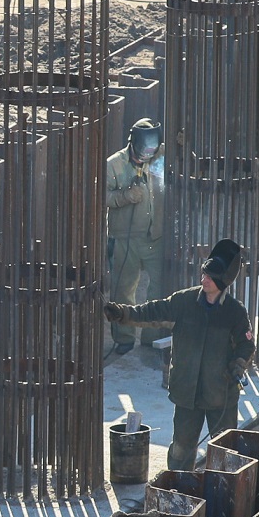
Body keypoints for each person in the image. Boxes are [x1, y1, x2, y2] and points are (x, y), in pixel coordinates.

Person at [105, 238, 254, 472]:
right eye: (204, 274)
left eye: (209, 277)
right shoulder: (185, 301)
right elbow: (154, 310)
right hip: (187, 393)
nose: (203, 279)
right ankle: (178, 489)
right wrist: (123, 313)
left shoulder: (235, 313)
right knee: (181, 450)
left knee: (226, 452)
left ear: (222, 282)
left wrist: (238, 364)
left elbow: (246, 346)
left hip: (220, 395)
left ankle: (225, 494)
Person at [105, 118, 164, 356]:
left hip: (154, 236)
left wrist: (183, 145)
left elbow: (184, 163)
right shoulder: (113, 164)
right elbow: (101, 196)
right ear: (132, 144)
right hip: (124, 240)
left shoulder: (159, 155)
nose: (144, 159)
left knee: (159, 289)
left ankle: (152, 336)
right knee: (123, 290)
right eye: (141, 155)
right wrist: (125, 197)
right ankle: (124, 337)